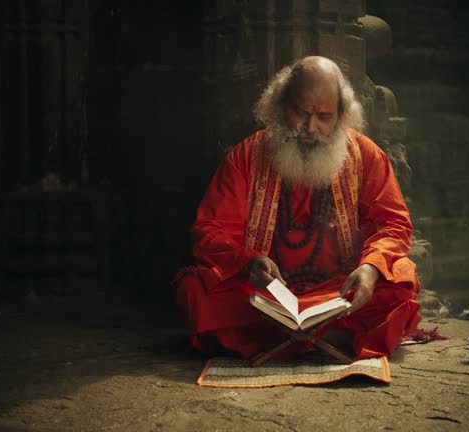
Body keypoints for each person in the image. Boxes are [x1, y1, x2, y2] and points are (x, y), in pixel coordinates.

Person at [173, 56, 421, 361]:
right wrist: (249, 262)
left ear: (342, 116)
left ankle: (290, 338)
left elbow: (392, 224)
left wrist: (370, 267)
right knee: (194, 290)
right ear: (280, 106)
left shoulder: (366, 156)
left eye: (324, 117)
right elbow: (209, 230)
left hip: (339, 293)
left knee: (401, 279)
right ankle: (329, 337)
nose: (310, 128)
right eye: (300, 113)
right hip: (266, 300)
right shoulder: (246, 157)